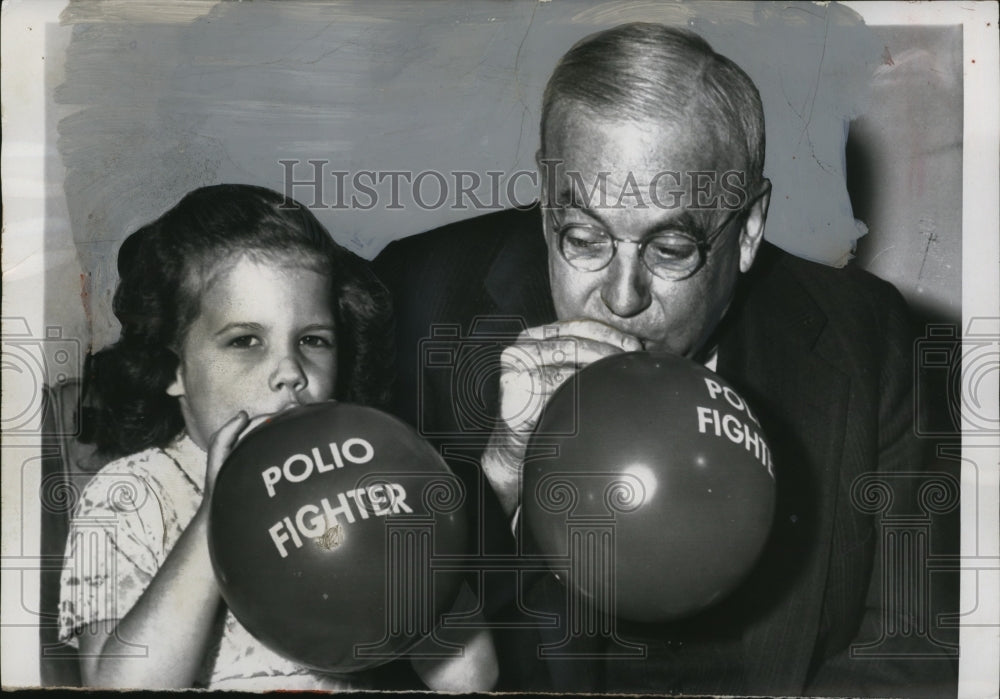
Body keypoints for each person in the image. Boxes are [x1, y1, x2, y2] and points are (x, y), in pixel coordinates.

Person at [373, 23, 957, 697]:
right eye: (584, 237)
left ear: (748, 231)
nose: (621, 297)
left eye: (671, 248)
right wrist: (500, 472)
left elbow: (920, 648)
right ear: (545, 206)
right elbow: (358, 642)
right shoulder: (421, 300)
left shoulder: (867, 335)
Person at [57, 184, 498, 690]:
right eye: (246, 341)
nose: (290, 371)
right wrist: (214, 517)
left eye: (313, 340)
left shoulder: (360, 478)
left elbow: (471, 679)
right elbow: (118, 687)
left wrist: (414, 542)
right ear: (172, 366)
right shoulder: (132, 493)